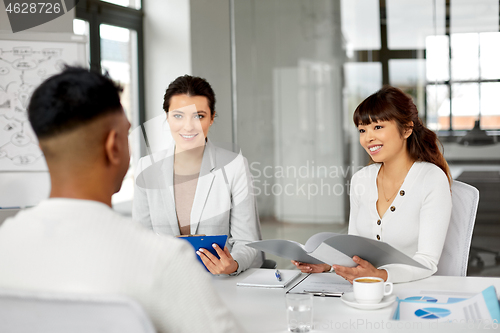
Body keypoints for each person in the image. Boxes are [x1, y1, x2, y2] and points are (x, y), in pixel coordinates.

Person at [0, 67, 243, 333]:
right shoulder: (163, 262)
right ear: (113, 145)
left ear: (42, 149)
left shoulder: (5, 244)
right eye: (127, 134)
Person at [293, 86, 452, 283]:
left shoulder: (431, 179)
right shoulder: (361, 179)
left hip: (413, 292)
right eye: (362, 130)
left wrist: (381, 276)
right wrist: (327, 265)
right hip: (365, 289)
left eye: (378, 127)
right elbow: (354, 250)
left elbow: (427, 261)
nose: (368, 138)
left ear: (407, 129)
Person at [133, 75, 262, 275]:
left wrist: (233, 264)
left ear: (212, 118)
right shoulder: (146, 168)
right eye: (178, 116)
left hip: (220, 283)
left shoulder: (234, 166)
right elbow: (140, 239)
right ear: (166, 117)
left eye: (199, 116)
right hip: (164, 281)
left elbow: (247, 241)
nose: (188, 126)